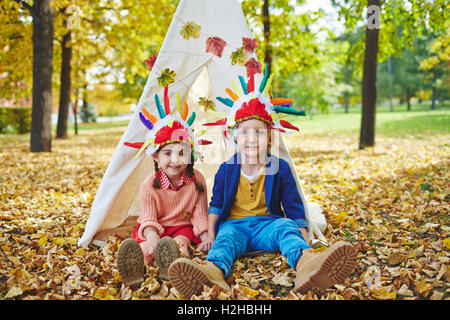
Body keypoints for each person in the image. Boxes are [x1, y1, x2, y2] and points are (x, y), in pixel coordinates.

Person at [168, 70, 357, 298]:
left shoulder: (279, 167)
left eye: (258, 132)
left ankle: (308, 264)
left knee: (286, 228)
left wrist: (304, 236)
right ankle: (212, 272)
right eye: (245, 132)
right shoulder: (227, 170)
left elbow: (293, 206)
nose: (251, 139)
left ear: (269, 137)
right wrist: (210, 235)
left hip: (268, 225)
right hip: (235, 226)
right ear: (235, 135)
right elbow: (216, 205)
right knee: (224, 241)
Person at [117, 88, 214, 287]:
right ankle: (136, 271)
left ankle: (170, 270)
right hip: (156, 227)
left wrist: (205, 235)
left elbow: (199, 213)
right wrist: (151, 235)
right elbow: (149, 217)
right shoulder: (149, 185)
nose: (175, 160)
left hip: (182, 228)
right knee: (147, 246)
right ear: (155, 156)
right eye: (168, 153)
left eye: (182, 153)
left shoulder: (197, 181)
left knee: (180, 245)